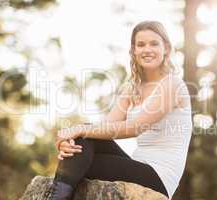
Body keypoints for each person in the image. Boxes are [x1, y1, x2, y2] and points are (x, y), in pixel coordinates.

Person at [49, 20, 192, 200]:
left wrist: (80, 131)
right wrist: (68, 143)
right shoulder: (132, 88)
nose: (147, 49)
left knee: (81, 151)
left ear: (167, 49)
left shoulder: (172, 84)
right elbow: (106, 127)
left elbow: (134, 127)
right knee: (80, 143)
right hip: (137, 165)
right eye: (141, 45)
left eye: (154, 44)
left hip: (159, 177)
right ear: (133, 51)